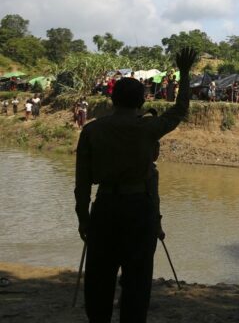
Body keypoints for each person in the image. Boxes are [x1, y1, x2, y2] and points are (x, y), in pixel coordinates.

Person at [74, 47, 197, 323]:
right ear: (142, 102)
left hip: (105, 207)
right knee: (137, 281)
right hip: (139, 209)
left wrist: (83, 218)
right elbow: (180, 109)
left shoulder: (91, 130)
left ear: (112, 98)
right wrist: (185, 73)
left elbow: (82, 182)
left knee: (99, 280)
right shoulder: (148, 128)